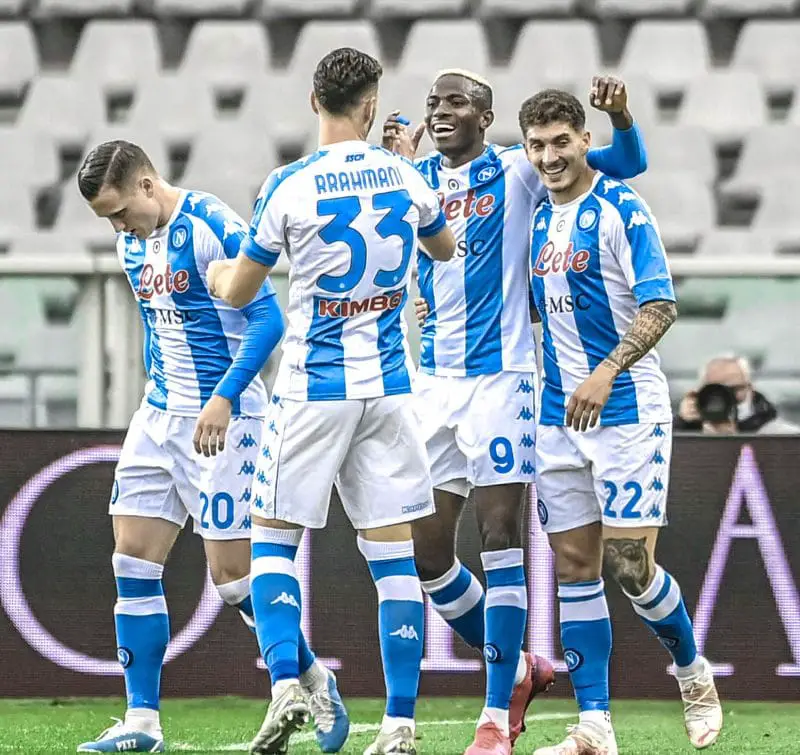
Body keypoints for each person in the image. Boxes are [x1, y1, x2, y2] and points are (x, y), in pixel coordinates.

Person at [381, 72, 647, 755]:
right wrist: (389, 165)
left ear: (486, 115)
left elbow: (625, 163)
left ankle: (495, 716)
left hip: (503, 379)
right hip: (432, 382)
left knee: (500, 536)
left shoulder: (519, 169)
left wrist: (621, 119)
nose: (442, 111)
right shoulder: (414, 179)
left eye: (457, 102)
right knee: (427, 553)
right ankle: (521, 665)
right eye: (435, 102)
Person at [208, 47, 456, 755]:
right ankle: (400, 725)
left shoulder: (288, 184)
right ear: (372, 105)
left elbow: (241, 291)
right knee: (393, 559)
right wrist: (404, 165)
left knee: (273, 538)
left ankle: (287, 683)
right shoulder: (406, 176)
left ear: (314, 101)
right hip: (390, 388)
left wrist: (222, 271)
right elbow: (443, 248)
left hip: (314, 387)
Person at [74, 141, 347, 754]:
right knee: (131, 560)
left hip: (227, 420)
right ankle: (142, 723)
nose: (119, 227)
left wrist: (222, 397)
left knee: (232, 579)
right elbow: (160, 326)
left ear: (147, 185)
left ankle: (310, 680)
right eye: (108, 220)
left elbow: (269, 321)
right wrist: (158, 396)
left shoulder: (210, 225)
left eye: (121, 212)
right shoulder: (131, 241)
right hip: (158, 417)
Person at [520, 90, 723, 755]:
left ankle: (691, 671)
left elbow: (660, 306)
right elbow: (536, 307)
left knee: (629, 564)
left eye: (561, 142)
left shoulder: (621, 208)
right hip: (556, 415)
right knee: (575, 567)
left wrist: (606, 370)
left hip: (628, 408)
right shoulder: (535, 218)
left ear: (585, 140)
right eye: (537, 145)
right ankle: (594, 726)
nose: (549, 156)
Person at [675, 354, 800, 434]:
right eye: (717, 391)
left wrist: (733, 442)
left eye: (734, 389)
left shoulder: (782, 436)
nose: (727, 397)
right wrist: (681, 424)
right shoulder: (683, 432)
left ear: (750, 388)